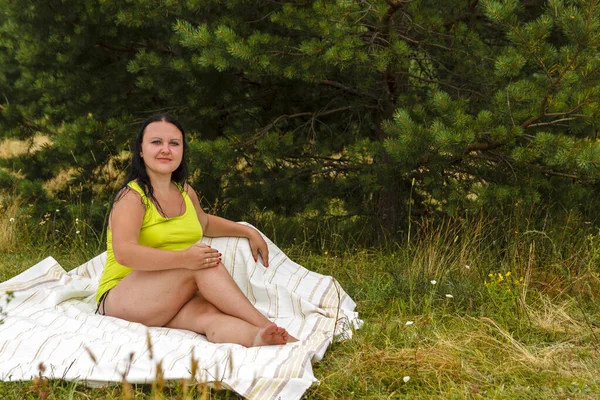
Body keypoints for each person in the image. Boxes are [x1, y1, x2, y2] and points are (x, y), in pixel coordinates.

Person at [95, 114, 295, 347]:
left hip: (165, 297)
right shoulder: (132, 197)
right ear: (140, 150)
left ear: (182, 150)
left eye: (174, 143)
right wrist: (184, 259)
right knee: (203, 262)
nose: (166, 150)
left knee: (210, 316)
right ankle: (265, 323)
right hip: (123, 297)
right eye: (156, 142)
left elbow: (205, 224)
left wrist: (247, 231)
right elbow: (124, 253)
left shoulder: (185, 192)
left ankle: (260, 337)